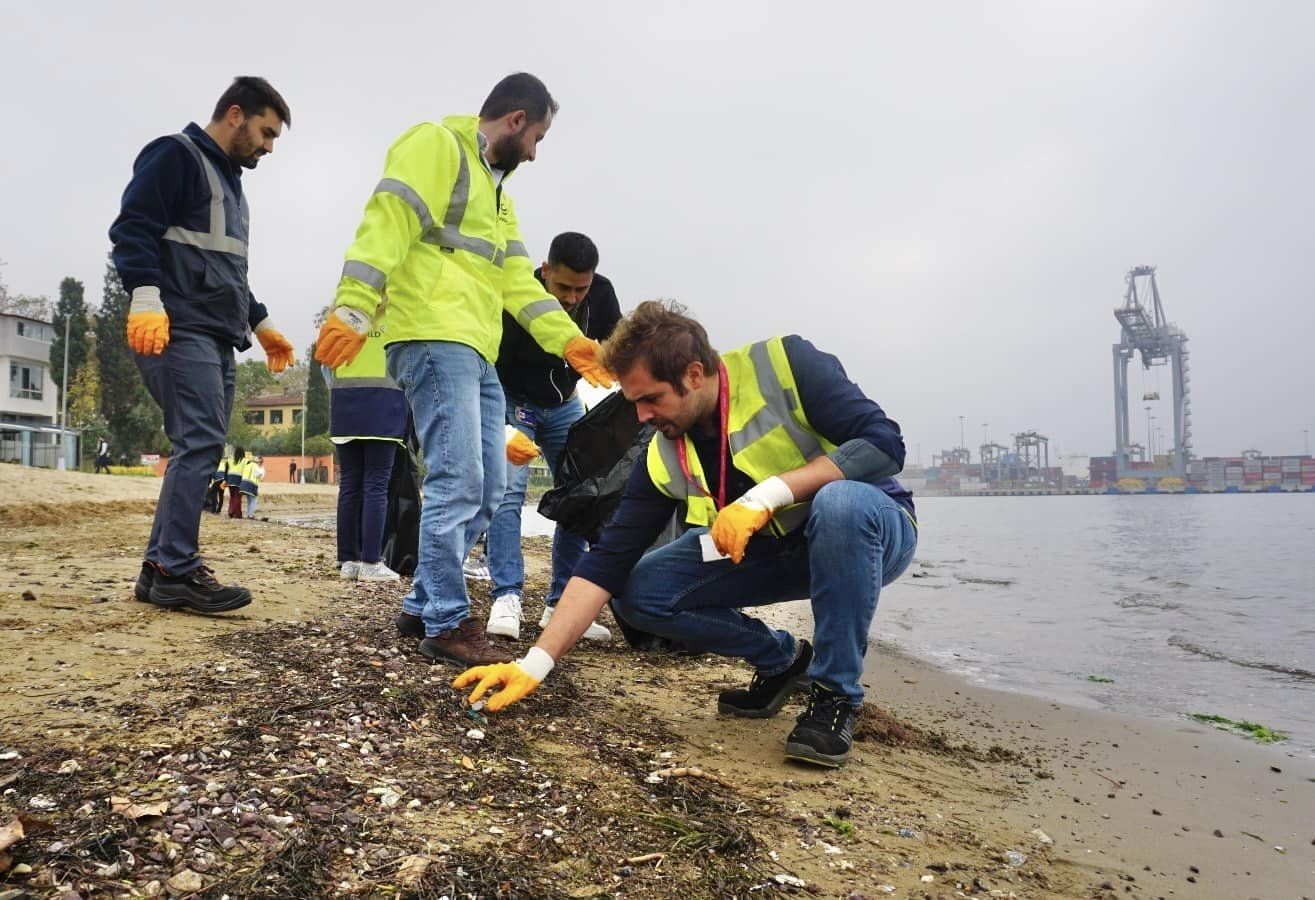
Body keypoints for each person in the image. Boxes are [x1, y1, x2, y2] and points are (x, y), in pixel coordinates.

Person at [455, 301, 918, 768]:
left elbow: (885, 443)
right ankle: (782, 660)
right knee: (637, 593)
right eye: (634, 401)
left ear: (694, 374)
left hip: (868, 533)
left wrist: (768, 495)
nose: (640, 416)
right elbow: (605, 563)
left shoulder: (786, 365)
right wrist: (535, 664)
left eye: (650, 399)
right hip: (775, 551)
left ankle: (835, 696)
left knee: (841, 504)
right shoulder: (663, 451)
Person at [314, 73, 612, 666]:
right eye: (539, 138)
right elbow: (387, 221)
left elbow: (515, 282)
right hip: (430, 334)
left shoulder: (498, 194)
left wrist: (573, 343)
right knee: (458, 480)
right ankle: (448, 622)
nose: (535, 153)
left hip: (476, 347)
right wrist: (351, 305)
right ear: (517, 119)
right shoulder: (436, 146)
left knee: (492, 487)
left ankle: (423, 600)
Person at [111, 77, 296, 615]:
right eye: (266, 133)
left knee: (201, 443)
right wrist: (145, 295)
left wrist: (258, 322)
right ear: (235, 114)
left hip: (215, 332)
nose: (268, 146)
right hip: (176, 326)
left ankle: (158, 569)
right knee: (200, 441)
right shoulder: (177, 156)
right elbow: (133, 229)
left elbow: (222, 268)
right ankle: (177, 569)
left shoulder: (230, 185)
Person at [485, 232, 621, 641]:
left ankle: (560, 602)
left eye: (581, 288)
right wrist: (503, 426)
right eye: (563, 287)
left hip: (563, 403)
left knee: (581, 492)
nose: (573, 298)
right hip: (513, 398)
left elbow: (619, 346)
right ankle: (506, 594)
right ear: (544, 272)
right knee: (508, 490)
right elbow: (490, 366)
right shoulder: (517, 296)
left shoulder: (601, 294)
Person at [329, 320, 407, 582]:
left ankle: (348, 560)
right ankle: (371, 562)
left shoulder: (342, 316)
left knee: (349, 485)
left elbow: (325, 364)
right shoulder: (397, 316)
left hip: (344, 405)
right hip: (384, 408)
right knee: (376, 485)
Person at [226, 446, 248, 519]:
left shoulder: (230, 459)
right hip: (239, 480)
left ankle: (230, 512)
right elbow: (246, 471)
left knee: (232, 497)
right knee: (238, 497)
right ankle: (237, 514)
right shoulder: (244, 461)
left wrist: (226, 480)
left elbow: (226, 471)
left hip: (230, 479)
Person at [240, 454, 264, 518]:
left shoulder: (247, 465)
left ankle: (249, 514)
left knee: (249, 500)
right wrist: (261, 473)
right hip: (251, 484)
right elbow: (258, 475)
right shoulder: (255, 466)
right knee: (254, 500)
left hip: (244, 484)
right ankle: (250, 515)